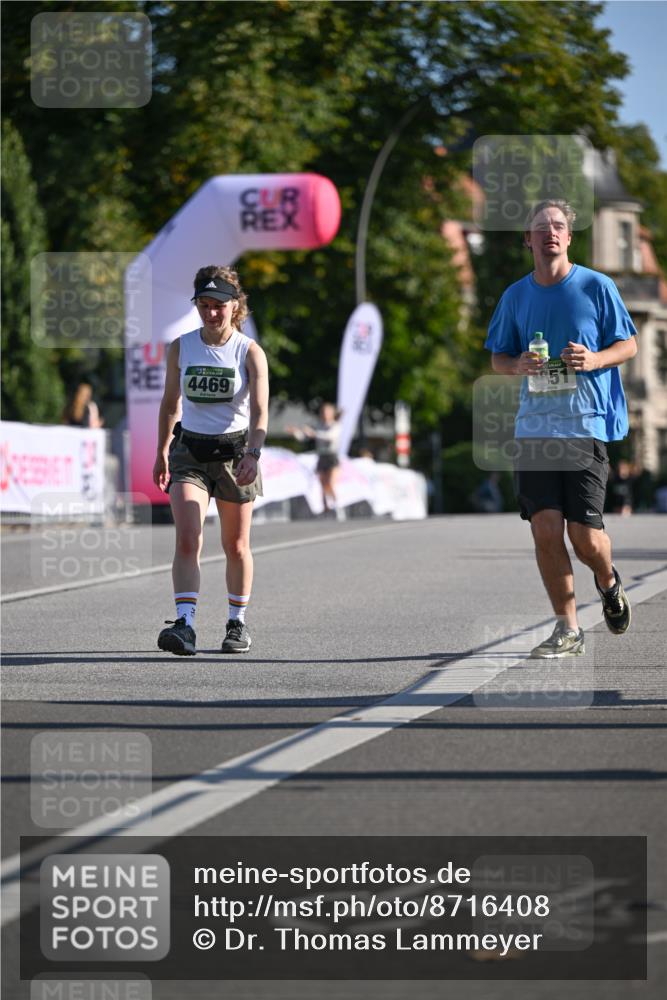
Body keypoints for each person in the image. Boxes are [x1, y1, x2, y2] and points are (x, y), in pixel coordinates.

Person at [486, 199, 637, 657]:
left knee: (586, 539)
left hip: (584, 424)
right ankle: (567, 627)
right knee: (546, 531)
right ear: (527, 240)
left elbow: (628, 344)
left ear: (569, 237)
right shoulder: (515, 296)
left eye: (558, 226)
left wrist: (594, 359)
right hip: (535, 428)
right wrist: (517, 366)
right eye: (541, 227)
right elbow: (498, 356)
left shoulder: (596, 286)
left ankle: (608, 581)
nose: (550, 232)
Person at [152, 266, 269, 655]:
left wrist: (253, 453)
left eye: (218, 305)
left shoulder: (248, 351)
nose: (211, 313)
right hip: (190, 453)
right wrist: (161, 451)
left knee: (236, 545)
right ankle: (184, 624)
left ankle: (236, 623)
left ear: (235, 306)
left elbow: (260, 414)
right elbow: (170, 405)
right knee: (188, 535)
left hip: (236, 455)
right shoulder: (181, 347)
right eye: (204, 305)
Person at [287, 402, 344, 519]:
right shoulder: (318, 425)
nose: (325, 414)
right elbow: (304, 437)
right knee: (322, 484)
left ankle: (337, 507)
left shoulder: (336, 425)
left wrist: (314, 434)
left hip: (332, 457)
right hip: (322, 457)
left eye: (327, 412)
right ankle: (326, 509)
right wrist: (296, 433)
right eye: (323, 412)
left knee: (330, 483)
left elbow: (330, 437)